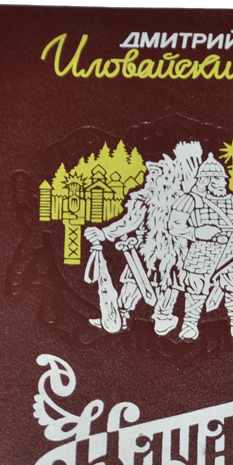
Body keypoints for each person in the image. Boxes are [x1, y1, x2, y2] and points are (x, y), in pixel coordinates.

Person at [85, 142, 201, 335]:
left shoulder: (184, 200)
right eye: (150, 172)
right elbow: (129, 221)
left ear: (168, 175)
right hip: (147, 249)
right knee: (135, 279)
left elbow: (196, 223)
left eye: (156, 172)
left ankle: (162, 317)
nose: (150, 175)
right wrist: (104, 233)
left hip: (174, 251)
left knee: (168, 282)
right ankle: (120, 315)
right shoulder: (145, 198)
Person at [168, 153, 233, 341]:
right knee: (196, 288)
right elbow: (174, 226)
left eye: (223, 178)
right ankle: (190, 325)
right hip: (202, 251)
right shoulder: (190, 200)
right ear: (205, 180)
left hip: (230, 253)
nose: (223, 182)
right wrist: (197, 232)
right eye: (218, 179)